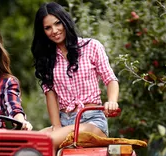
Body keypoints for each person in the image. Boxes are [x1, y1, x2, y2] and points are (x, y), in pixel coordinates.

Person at [31, 2, 120, 148]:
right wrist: (56, 127)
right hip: (64, 121)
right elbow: (50, 93)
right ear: (43, 32)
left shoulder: (92, 46)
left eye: (57, 23)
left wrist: (112, 101)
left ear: (65, 21)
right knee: (30, 143)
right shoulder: (47, 58)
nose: (54, 30)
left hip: (92, 120)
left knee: (47, 141)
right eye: (48, 28)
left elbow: (110, 79)